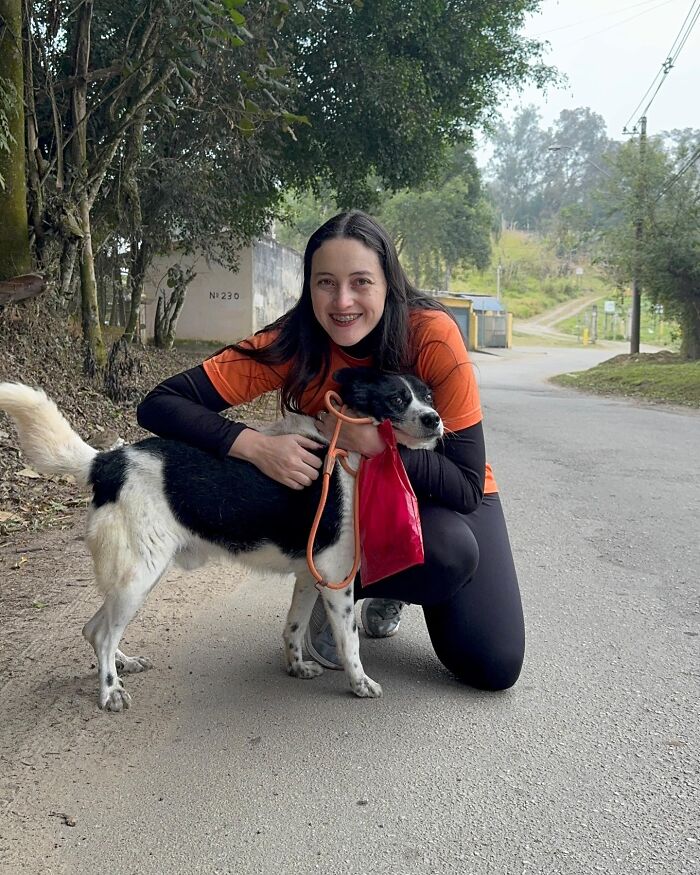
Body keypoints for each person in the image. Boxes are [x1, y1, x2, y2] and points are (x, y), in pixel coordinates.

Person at [137, 211, 524, 691]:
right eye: (326, 283)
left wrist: (376, 443)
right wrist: (253, 445)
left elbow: (466, 485)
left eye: (361, 281)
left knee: (492, 659)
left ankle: (385, 585)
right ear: (309, 287)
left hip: (442, 490)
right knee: (444, 553)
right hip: (352, 498)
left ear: (388, 283)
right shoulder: (293, 340)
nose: (342, 302)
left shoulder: (432, 334)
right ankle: (338, 584)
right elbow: (160, 404)